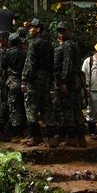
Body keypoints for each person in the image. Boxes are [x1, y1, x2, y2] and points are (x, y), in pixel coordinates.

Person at [21, 18, 59, 147]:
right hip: (46, 78)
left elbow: (30, 63)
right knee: (46, 105)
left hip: (35, 79)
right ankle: (53, 136)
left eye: (32, 28)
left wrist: (24, 79)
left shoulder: (33, 44)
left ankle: (34, 136)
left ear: (38, 29)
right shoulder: (49, 44)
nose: (30, 30)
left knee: (31, 106)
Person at [53, 21, 86, 147]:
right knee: (76, 108)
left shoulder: (67, 45)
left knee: (68, 109)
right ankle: (80, 137)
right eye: (60, 31)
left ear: (69, 32)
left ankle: (72, 137)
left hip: (70, 82)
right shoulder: (73, 45)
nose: (61, 34)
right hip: (75, 81)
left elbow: (67, 63)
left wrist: (63, 81)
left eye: (63, 31)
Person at [5, 32, 28, 139]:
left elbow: (3, 65)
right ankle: (25, 129)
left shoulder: (8, 53)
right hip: (24, 82)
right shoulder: (25, 53)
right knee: (23, 105)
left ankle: (17, 132)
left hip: (12, 81)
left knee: (14, 107)